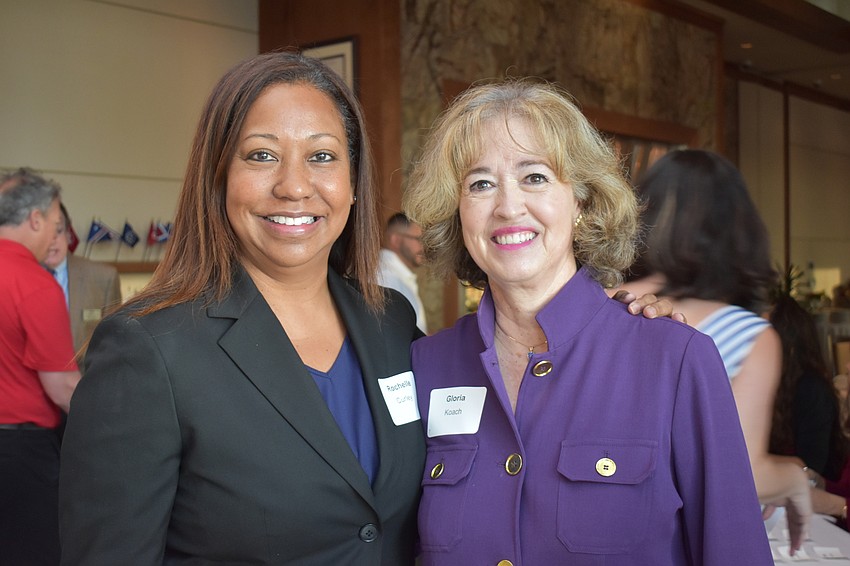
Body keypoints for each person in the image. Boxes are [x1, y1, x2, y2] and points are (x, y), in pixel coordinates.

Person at [58, 51, 426, 564]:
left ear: (354, 182)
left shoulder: (391, 324)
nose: (295, 186)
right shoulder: (147, 350)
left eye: (322, 157)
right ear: (218, 177)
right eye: (261, 156)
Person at [403, 80, 772, 564]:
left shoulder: (675, 361)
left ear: (581, 200)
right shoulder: (425, 365)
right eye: (480, 183)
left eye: (534, 177)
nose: (508, 206)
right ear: (458, 213)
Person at [623, 149, 812, 552]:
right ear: (737, 231)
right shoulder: (746, 334)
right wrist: (796, 477)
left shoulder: (599, 303)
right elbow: (739, 475)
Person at [0, 167, 81, 565]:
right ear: (34, 219)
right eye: (54, 224)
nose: (56, 235)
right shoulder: (33, 282)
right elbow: (63, 387)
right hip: (20, 453)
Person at [769, 293, 846, 480]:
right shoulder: (770, 383)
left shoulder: (811, 389)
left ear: (788, 344)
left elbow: (812, 466)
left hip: (815, 494)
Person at [44, 203, 122, 356]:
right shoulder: (15, 278)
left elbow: (113, 342)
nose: (51, 240)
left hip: (85, 377)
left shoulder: (103, 277)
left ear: (68, 233)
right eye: (44, 232)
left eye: (58, 231)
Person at [377, 212, 428, 333]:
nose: (424, 247)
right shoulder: (386, 278)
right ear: (396, 240)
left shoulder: (395, 274)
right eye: (419, 239)